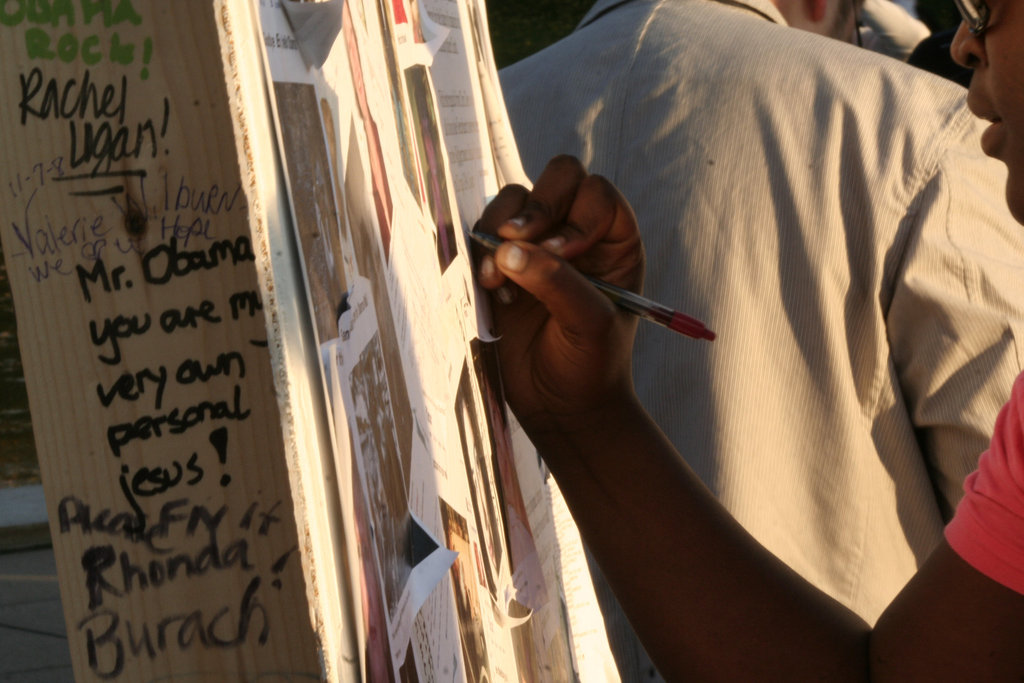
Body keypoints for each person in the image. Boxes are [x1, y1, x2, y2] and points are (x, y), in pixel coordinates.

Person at [471, 1, 1024, 677]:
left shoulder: (464, 129)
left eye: (985, 7)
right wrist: (586, 417)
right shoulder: (926, 135)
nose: (964, 43)